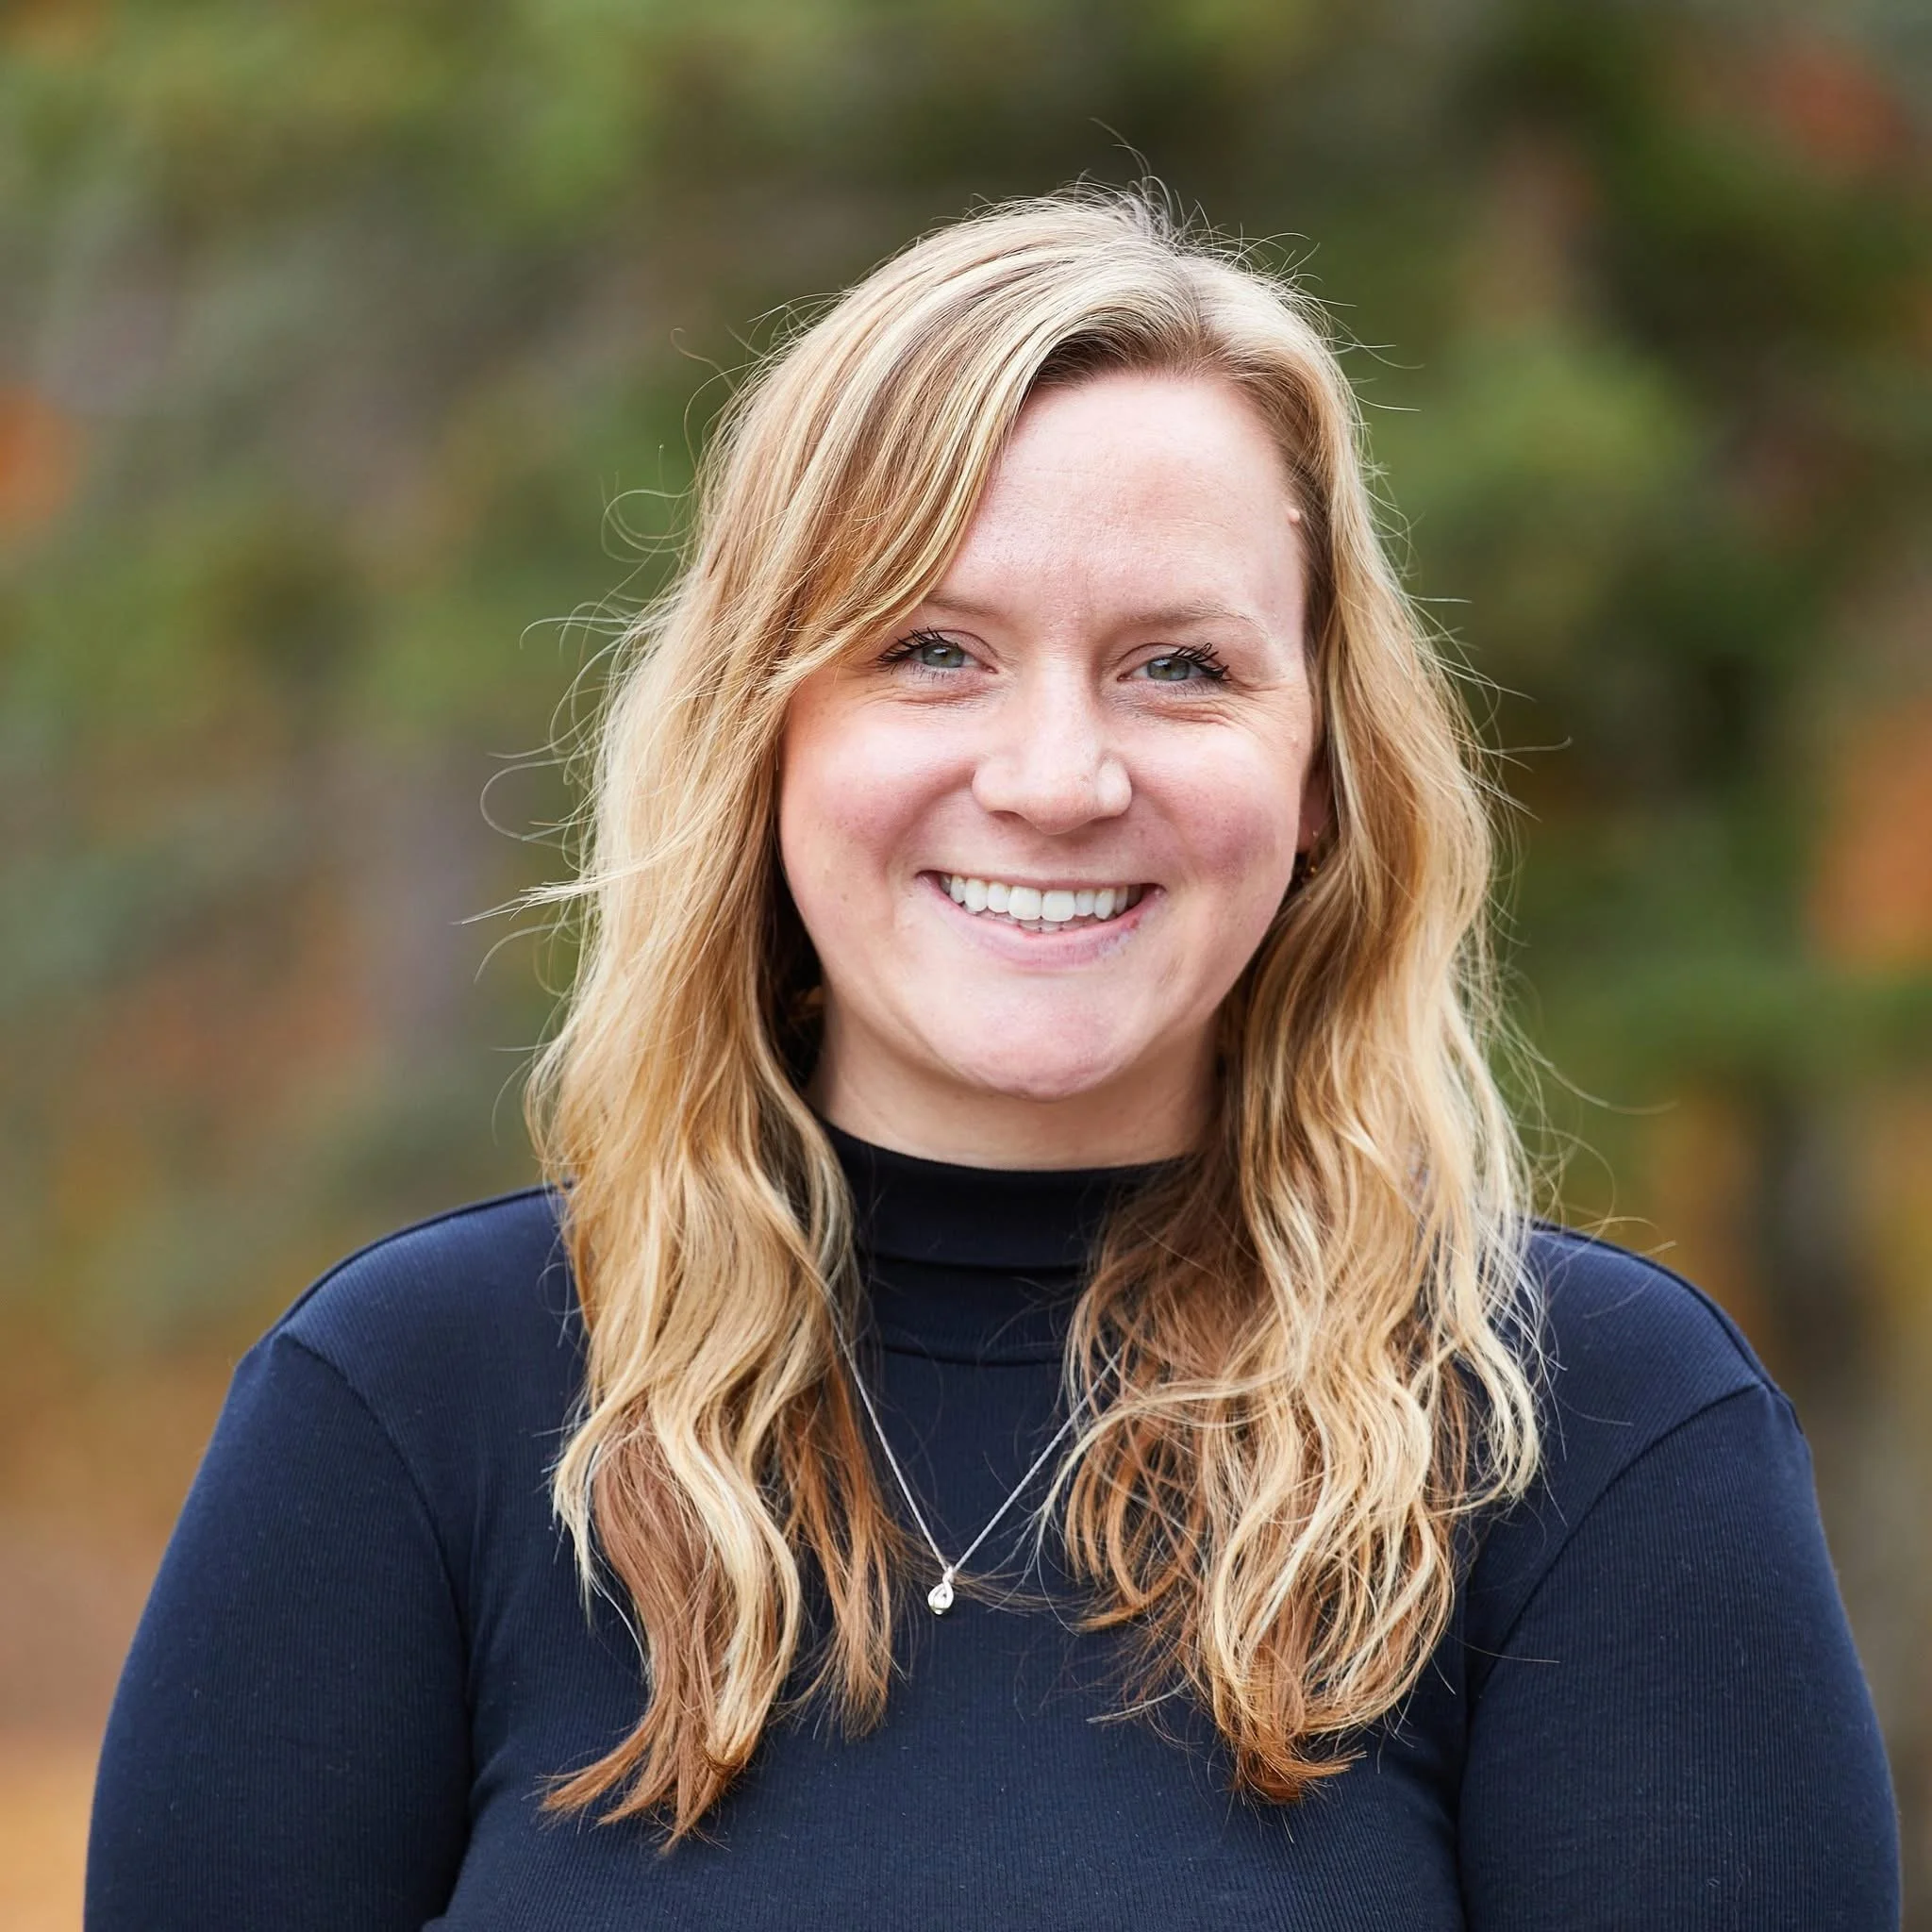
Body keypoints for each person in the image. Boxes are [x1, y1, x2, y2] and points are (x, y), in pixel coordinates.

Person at [86, 192, 1899, 1930]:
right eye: (934, 651)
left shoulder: (1592, 1436)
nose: (1055, 779)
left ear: (1323, 770)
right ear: (761, 736)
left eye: (1179, 667)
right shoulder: (403, 1413)